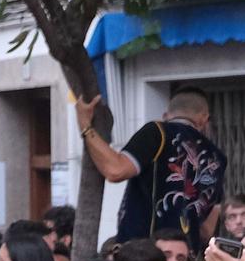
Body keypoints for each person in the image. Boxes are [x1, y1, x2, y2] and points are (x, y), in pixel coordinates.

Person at [77, 88, 227, 242]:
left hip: (146, 252)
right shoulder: (217, 158)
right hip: (185, 257)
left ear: (166, 116)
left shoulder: (158, 132)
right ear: (204, 119)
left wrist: (85, 126)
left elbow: (115, 170)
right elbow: (207, 229)